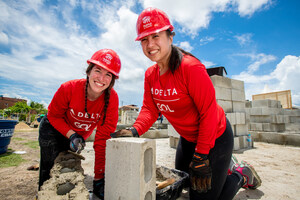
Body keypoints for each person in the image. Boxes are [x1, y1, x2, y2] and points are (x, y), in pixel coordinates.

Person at [113, 7, 261, 200]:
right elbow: (150, 109)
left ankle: (240, 175)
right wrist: (134, 130)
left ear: (170, 37)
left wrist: (201, 157)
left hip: (215, 137)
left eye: (155, 36)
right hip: (189, 138)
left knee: (203, 197)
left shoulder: (190, 68)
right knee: (182, 186)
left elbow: (208, 113)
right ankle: (221, 170)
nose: (150, 44)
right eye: (144, 39)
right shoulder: (150, 75)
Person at [38, 49, 121, 200]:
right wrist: (72, 135)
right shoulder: (69, 88)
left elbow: (102, 140)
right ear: (89, 72)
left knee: (67, 167)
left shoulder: (112, 99)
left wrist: (98, 179)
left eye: (108, 74)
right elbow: (53, 116)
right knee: (50, 168)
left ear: (112, 80)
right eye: (98, 70)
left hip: (76, 136)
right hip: (53, 129)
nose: (101, 78)